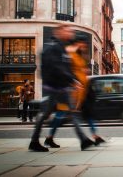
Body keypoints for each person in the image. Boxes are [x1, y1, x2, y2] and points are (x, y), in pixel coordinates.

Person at [28, 24, 94, 152]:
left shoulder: (62, 47)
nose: (70, 33)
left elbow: (65, 67)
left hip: (62, 87)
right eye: (67, 30)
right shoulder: (53, 47)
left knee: (72, 114)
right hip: (53, 88)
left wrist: (71, 80)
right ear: (59, 32)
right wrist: (72, 80)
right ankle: (35, 141)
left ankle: (84, 140)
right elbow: (56, 68)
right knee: (45, 115)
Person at [45, 32, 105, 147]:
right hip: (71, 91)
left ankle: (93, 137)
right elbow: (66, 70)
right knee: (62, 114)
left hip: (81, 91)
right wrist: (74, 81)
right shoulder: (70, 53)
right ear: (79, 42)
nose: (86, 46)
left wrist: (84, 73)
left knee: (82, 114)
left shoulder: (78, 54)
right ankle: (84, 139)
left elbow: (78, 70)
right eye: (84, 43)